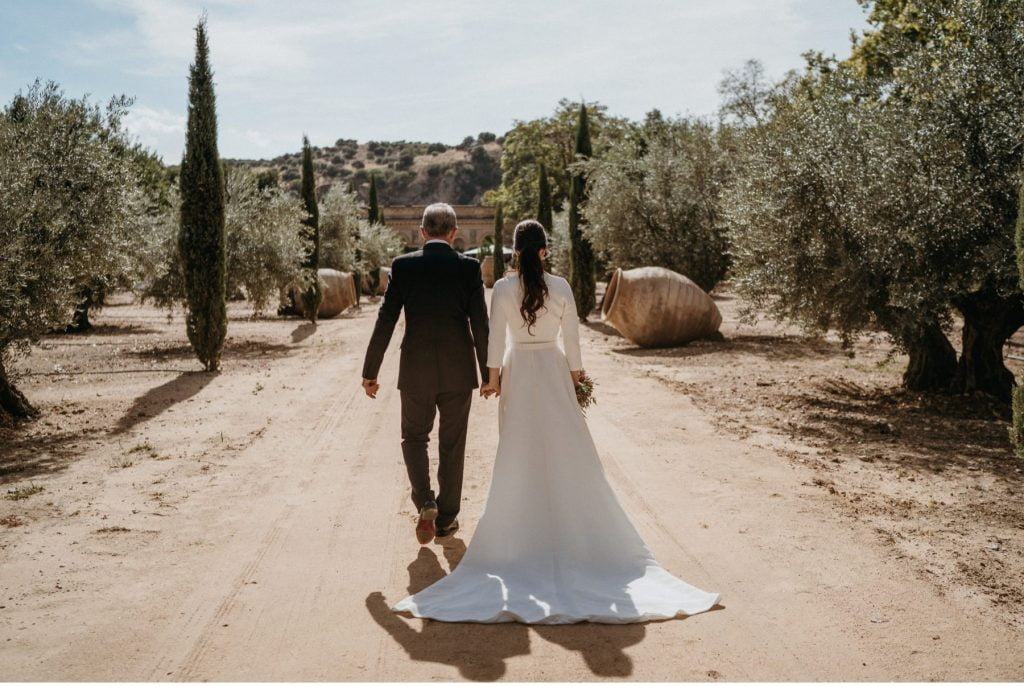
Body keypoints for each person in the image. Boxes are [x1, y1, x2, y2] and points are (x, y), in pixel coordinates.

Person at [390, 219, 721, 623]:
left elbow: (494, 339)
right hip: (551, 368)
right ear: (544, 251)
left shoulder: (504, 290)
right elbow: (574, 341)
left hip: (519, 371)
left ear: (514, 251)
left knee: (518, 451)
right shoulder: (561, 286)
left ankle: (520, 533)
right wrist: (576, 377)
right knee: (569, 450)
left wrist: (492, 379)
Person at [361, 202, 489, 545]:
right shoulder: (469, 268)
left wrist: (370, 371)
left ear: (421, 233)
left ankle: (425, 501)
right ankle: (447, 519)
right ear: (454, 233)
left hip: (415, 370)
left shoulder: (403, 267)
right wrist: (489, 373)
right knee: (452, 443)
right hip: (459, 371)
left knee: (414, 438)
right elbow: (480, 324)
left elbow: (386, 320)